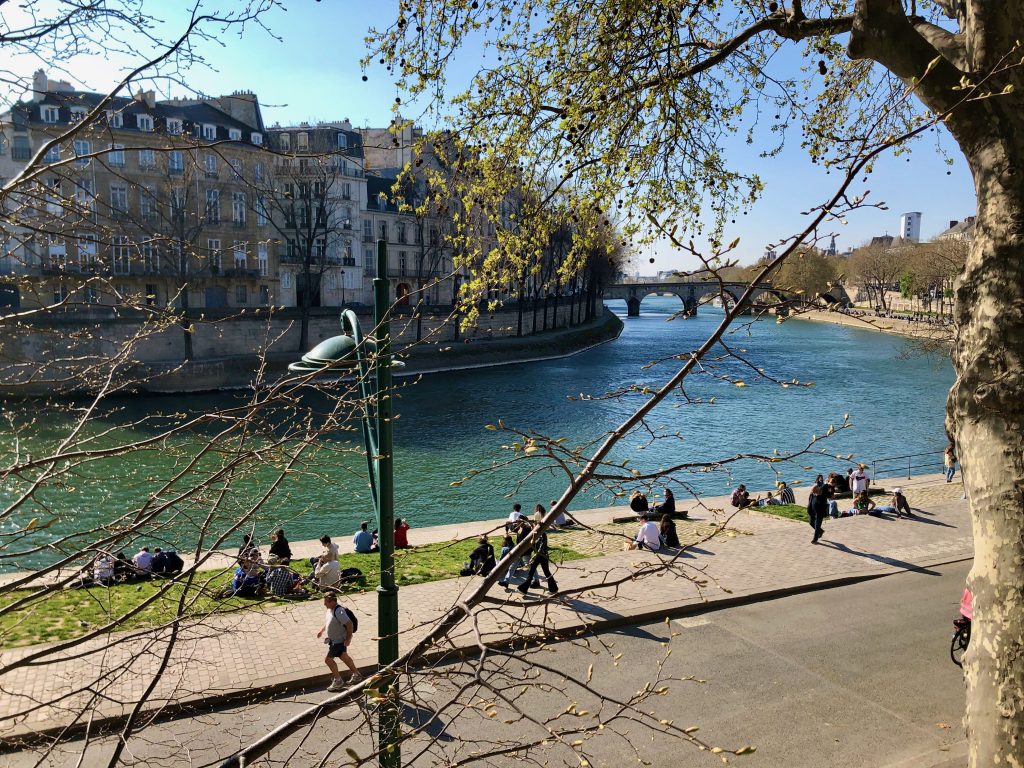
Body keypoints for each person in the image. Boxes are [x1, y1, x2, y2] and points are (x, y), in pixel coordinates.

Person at [316, 593, 362, 692]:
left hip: (338, 641)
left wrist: (349, 638)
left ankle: (338, 681)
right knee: (344, 657)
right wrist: (322, 630)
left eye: (326, 602)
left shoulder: (339, 611)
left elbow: (349, 624)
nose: (324, 604)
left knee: (328, 660)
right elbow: (329, 622)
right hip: (334, 640)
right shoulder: (330, 610)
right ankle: (357, 675)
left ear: (332, 602)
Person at [517, 512, 558, 595]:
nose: (532, 527)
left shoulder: (541, 535)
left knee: (532, 572)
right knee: (545, 572)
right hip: (543, 556)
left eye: (534, 525)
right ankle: (553, 589)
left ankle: (523, 589)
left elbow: (541, 546)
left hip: (540, 555)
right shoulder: (536, 534)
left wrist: (534, 556)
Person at [499, 517, 532, 588]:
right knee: (513, 566)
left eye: (518, 522)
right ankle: (506, 582)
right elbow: (511, 527)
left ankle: (536, 580)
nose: (516, 523)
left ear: (523, 522)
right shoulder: (520, 528)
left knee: (530, 566)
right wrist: (508, 523)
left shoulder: (527, 530)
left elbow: (526, 541)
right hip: (519, 550)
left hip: (525, 550)